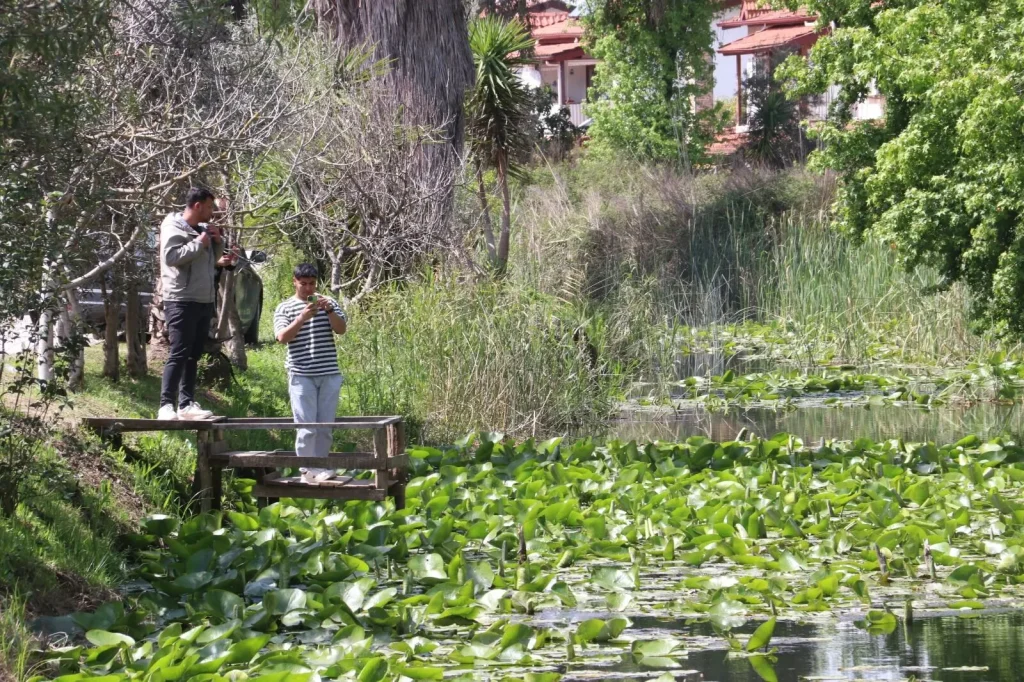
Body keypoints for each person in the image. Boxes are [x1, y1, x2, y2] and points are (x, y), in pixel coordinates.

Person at [156, 188, 236, 421]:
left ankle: (186, 404)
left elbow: (212, 260)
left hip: (203, 299)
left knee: (193, 354)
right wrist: (199, 244)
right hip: (180, 299)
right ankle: (165, 406)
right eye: (211, 207)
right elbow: (171, 257)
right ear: (198, 205)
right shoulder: (173, 227)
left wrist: (217, 242)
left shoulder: (202, 230)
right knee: (179, 352)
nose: (213, 212)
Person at [274, 263, 347, 459]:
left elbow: (341, 329)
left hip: (329, 373)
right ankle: (306, 469)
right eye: (303, 283)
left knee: (325, 427)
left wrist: (330, 310)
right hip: (301, 375)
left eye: (312, 283)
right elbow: (282, 338)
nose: (308, 288)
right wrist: (301, 319)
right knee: (306, 428)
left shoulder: (328, 302)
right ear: (294, 282)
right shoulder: (285, 307)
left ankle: (320, 467)